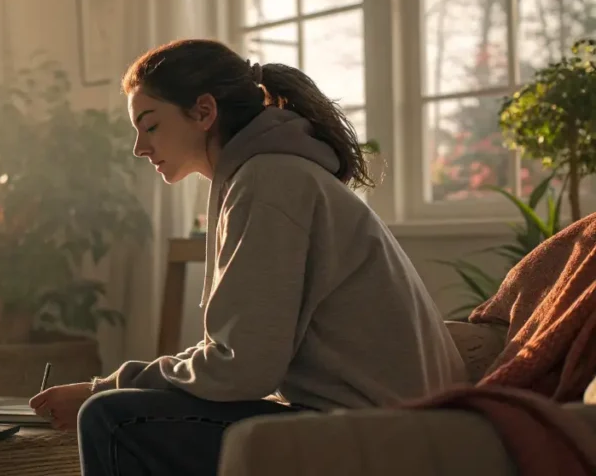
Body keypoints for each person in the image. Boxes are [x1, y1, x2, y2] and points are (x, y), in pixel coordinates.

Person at [28, 38, 467, 475]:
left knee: (112, 418)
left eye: (151, 126)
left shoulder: (268, 182)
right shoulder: (271, 175)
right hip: (390, 423)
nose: (139, 148)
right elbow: (241, 356)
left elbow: (241, 369)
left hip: (381, 435)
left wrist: (102, 388)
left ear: (204, 111)